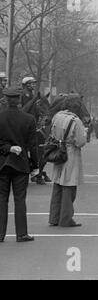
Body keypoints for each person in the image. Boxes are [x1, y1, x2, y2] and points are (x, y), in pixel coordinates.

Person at [0, 87, 39, 243]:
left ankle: (0, 234)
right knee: (20, 199)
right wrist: (35, 166)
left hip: (2, 163)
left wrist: (7, 148)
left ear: (6, 100)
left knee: (1, 199)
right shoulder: (29, 119)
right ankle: (21, 234)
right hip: (21, 164)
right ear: (20, 100)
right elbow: (33, 146)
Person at [49, 100, 87, 228]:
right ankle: (66, 219)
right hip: (70, 153)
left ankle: (54, 217)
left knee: (57, 185)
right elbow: (81, 142)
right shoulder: (76, 121)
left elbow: (51, 134)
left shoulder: (57, 117)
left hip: (58, 151)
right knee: (69, 186)